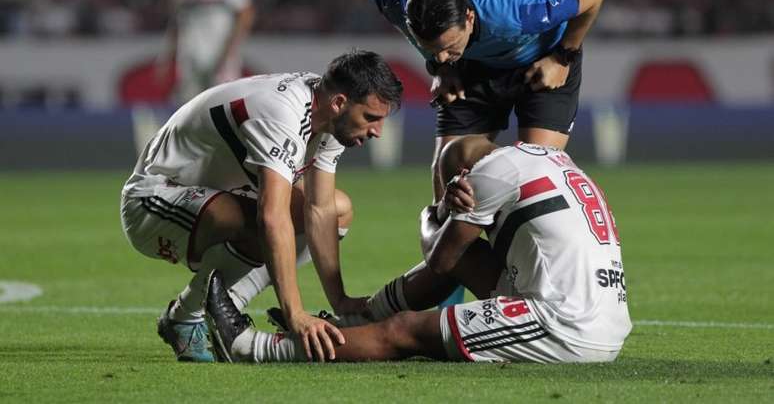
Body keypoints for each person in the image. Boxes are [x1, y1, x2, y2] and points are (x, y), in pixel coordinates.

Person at [204, 135, 632, 364]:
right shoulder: (553, 160)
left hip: (567, 324)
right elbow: (461, 261)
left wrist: (436, 210)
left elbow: (439, 258)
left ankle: (250, 347)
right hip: (598, 309)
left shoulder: (488, 174)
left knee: (406, 329)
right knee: (471, 257)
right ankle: (352, 320)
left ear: (463, 173)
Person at [120, 50, 403, 362]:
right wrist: (295, 314)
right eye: (371, 118)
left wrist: (340, 301)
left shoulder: (330, 115)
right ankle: (190, 317)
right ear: (339, 103)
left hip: (218, 194)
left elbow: (320, 209)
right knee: (258, 221)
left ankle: (205, 311)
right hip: (151, 200)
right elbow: (272, 217)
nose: (377, 131)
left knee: (338, 209)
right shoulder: (282, 114)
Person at [370, 0, 607, 202]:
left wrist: (563, 56)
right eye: (431, 48)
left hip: (543, 61)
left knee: (536, 181)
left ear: (469, 18)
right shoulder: (398, 1)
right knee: (448, 188)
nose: (441, 55)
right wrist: (441, 68)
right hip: (472, 65)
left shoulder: (525, 7)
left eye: (448, 46)